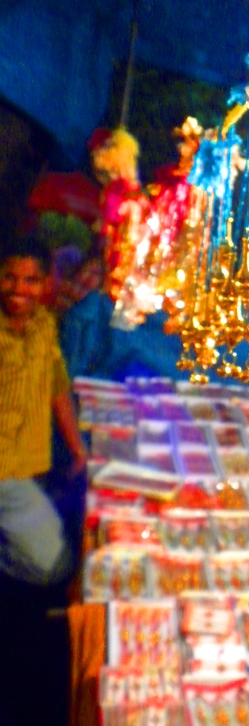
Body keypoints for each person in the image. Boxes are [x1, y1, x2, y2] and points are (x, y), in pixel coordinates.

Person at [0, 234, 89, 585]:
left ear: (46, 283)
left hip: (28, 463)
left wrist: (77, 448)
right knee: (58, 567)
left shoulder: (44, 323)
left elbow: (57, 386)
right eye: (9, 277)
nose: (18, 289)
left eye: (30, 280)